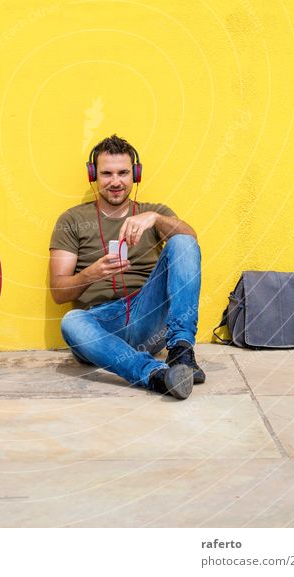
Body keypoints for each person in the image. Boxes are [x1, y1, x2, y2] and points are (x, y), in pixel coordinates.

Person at [49, 134, 205, 400]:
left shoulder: (153, 212)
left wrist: (156, 219)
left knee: (183, 241)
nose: (116, 182)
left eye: (123, 173)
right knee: (71, 321)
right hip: (101, 325)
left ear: (135, 174)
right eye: (106, 174)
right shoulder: (72, 219)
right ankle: (157, 375)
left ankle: (181, 352)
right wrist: (90, 274)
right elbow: (58, 291)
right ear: (93, 175)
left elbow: (190, 239)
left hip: (148, 316)